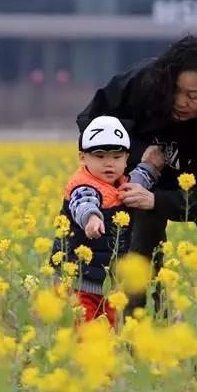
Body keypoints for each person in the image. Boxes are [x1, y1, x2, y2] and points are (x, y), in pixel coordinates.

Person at [76, 35, 197, 311]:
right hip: (141, 171)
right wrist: (140, 163)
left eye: (193, 96)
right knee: (132, 240)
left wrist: (158, 201)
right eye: (176, 90)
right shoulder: (145, 81)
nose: (180, 101)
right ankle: (130, 325)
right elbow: (91, 122)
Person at [52, 115, 164, 325]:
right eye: (100, 156)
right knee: (83, 333)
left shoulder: (121, 182)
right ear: (83, 158)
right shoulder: (83, 185)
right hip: (78, 282)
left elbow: (138, 180)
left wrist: (151, 166)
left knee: (109, 331)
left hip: (108, 282)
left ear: (126, 159)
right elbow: (83, 203)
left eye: (116, 157)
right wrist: (92, 219)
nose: (109, 163)